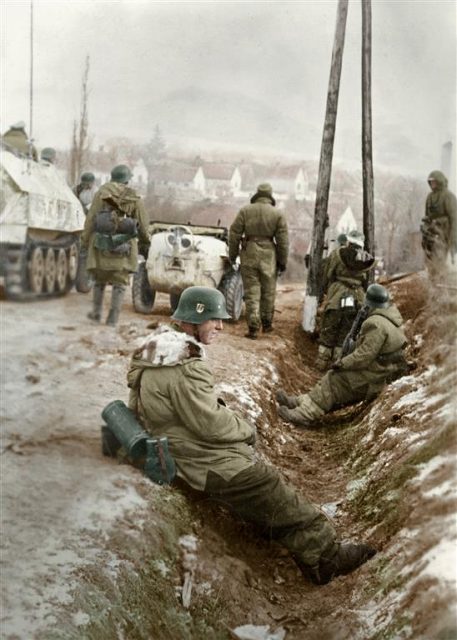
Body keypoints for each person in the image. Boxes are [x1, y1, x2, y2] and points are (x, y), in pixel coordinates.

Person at [125, 286, 375, 585]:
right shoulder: (186, 366)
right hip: (197, 459)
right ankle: (325, 557)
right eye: (214, 319)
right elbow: (210, 424)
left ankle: (271, 529)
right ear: (194, 318)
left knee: (260, 480)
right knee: (268, 483)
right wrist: (246, 429)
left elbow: (147, 408)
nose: (220, 326)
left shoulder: (157, 353)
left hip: (178, 448)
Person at [277, 284, 408, 428]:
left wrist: (343, 363)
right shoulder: (390, 318)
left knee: (335, 379)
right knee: (333, 376)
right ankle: (304, 401)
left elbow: (363, 356)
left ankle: (305, 413)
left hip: (376, 377)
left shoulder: (375, 324)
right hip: (383, 371)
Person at [81, 164, 150, 326]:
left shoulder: (100, 194)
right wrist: (146, 243)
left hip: (100, 245)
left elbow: (90, 219)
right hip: (124, 247)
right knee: (119, 283)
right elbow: (143, 224)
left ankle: (96, 314)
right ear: (127, 179)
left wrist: (84, 241)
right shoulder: (133, 196)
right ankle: (112, 319)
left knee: (99, 280)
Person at [228, 183, 288, 339]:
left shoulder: (245, 211)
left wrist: (233, 255)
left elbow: (234, 234)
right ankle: (267, 324)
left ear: (257, 194)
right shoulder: (278, 214)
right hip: (269, 255)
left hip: (249, 253)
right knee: (268, 291)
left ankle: (253, 327)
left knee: (252, 291)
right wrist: (282, 262)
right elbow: (283, 241)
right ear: (270, 195)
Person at [316, 229, 375, 370]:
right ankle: (338, 363)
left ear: (349, 241)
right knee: (346, 331)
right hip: (356, 298)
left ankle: (321, 363)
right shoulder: (368, 259)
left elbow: (328, 273)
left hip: (338, 295)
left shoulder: (337, 254)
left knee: (329, 328)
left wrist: (323, 292)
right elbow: (367, 283)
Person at [420, 170, 457, 280]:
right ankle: (432, 281)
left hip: (443, 235)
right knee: (429, 260)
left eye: (434, 181)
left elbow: (454, 218)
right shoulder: (430, 197)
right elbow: (427, 216)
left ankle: (441, 282)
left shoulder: (448, 196)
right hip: (430, 234)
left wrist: (453, 239)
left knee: (439, 260)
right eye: (430, 182)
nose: (432, 184)